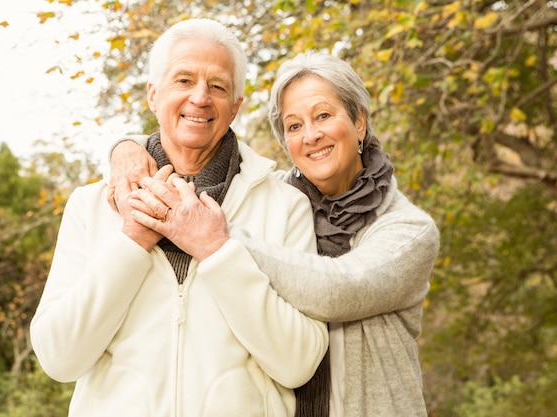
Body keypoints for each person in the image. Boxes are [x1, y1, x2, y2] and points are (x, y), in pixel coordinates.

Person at [108, 51, 440, 417]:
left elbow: (338, 290)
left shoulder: (409, 230)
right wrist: (126, 148)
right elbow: (194, 143)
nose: (311, 135)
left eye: (324, 116)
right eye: (294, 126)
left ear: (359, 123)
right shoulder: (275, 201)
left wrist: (218, 239)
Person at [30, 19, 328, 417]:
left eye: (218, 86)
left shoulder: (284, 205)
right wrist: (132, 240)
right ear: (153, 95)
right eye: (183, 80)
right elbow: (58, 358)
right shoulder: (91, 204)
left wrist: (216, 251)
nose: (200, 98)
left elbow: (298, 363)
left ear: (236, 106)